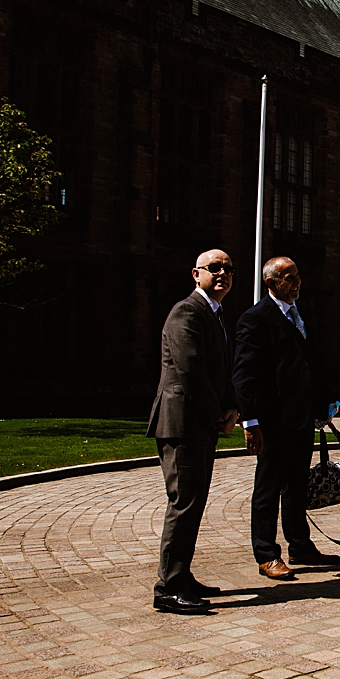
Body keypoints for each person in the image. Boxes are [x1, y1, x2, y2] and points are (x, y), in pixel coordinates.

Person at [233, 256, 340, 581]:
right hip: (272, 421)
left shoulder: (304, 313)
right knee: (268, 488)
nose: (295, 282)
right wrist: (250, 421)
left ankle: (300, 545)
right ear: (270, 283)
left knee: (296, 485)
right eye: (287, 277)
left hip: (301, 418)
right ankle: (266, 554)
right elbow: (243, 375)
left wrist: (324, 404)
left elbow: (312, 363)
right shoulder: (255, 319)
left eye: (297, 275)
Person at [147, 249, 241, 614]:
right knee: (183, 502)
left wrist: (232, 407)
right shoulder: (186, 311)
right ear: (195, 274)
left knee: (194, 502)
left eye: (228, 269)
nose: (222, 274)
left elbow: (220, 371)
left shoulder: (215, 314)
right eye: (214, 268)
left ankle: (181, 575)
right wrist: (219, 414)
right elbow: (190, 371)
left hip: (202, 423)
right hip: (182, 423)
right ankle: (168, 588)